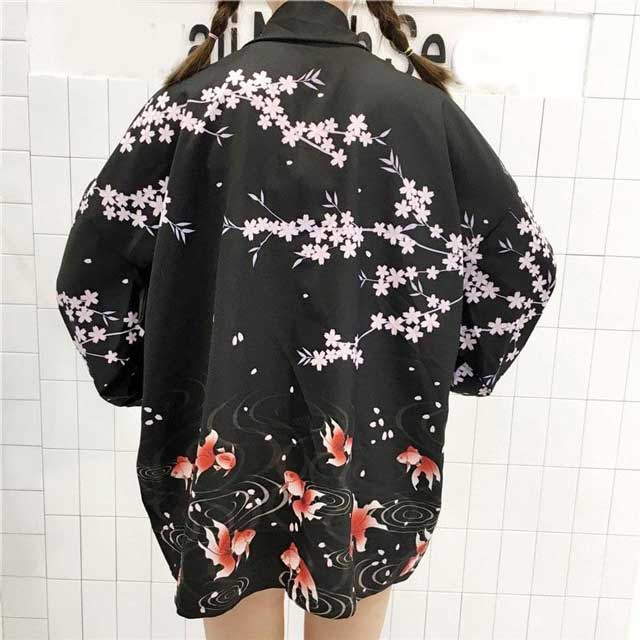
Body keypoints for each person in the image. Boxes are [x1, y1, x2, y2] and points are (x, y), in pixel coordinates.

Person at [55, 1, 557, 638]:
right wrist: (451, 363)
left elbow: (91, 273)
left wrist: (138, 374)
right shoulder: (421, 112)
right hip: (370, 436)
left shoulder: (192, 105)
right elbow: (521, 267)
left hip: (220, 434)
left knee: (231, 568)